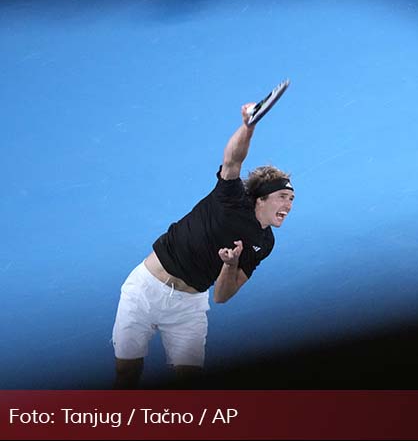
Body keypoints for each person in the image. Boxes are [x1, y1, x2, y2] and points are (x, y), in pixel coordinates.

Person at [111, 102, 294, 388]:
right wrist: (249, 126)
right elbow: (233, 160)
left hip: (189, 306)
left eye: (292, 199)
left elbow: (221, 296)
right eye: (283, 196)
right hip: (145, 290)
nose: (288, 204)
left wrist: (230, 264)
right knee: (127, 375)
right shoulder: (230, 197)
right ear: (262, 198)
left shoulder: (263, 243)